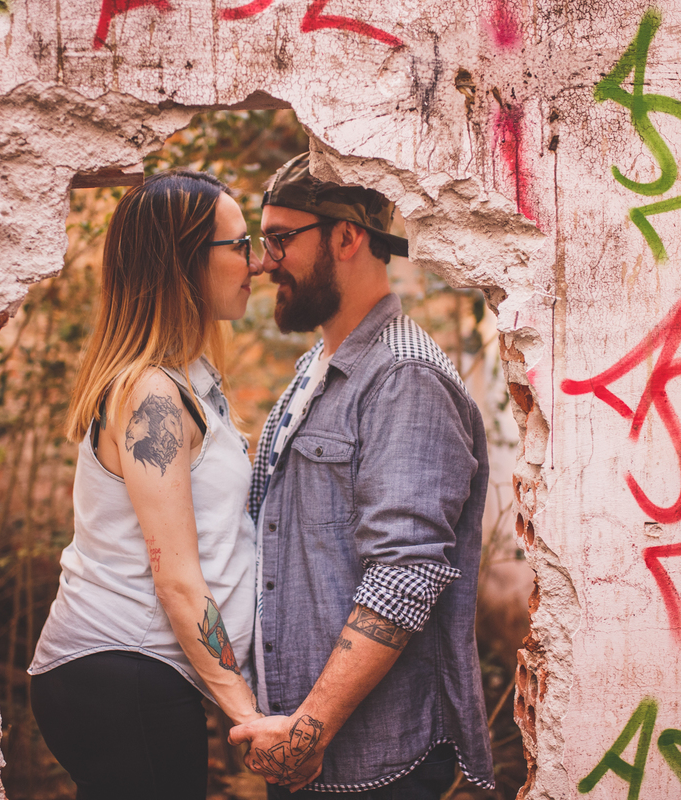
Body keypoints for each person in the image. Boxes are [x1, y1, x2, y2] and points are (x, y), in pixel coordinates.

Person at [228, 153, 495, 797]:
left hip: (370, 761)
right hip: (298, 743)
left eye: (281, 239)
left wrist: (308, 730)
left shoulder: (404, 380)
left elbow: (406, 571)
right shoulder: (321, 364)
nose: (264, 262)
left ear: (348, 237)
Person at [28, 170, 264, 799]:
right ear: (184, 262)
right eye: (240, 245)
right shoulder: (151, 396)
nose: (258, 262)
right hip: (121, 676)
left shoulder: (187, 380)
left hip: (134, 679)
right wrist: (247, 716)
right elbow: (177, 580)